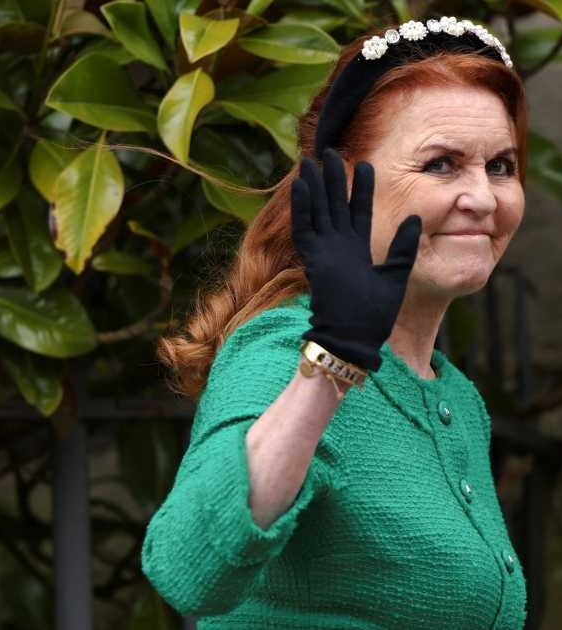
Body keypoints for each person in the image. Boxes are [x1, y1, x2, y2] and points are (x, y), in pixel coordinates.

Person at [142, 15, 529, 629]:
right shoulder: (284, 353)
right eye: (440, 165)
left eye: (501, 166)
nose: (483, 198)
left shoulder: (457, 398)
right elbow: (188, 567)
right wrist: (331, 362)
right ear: (343, 184)